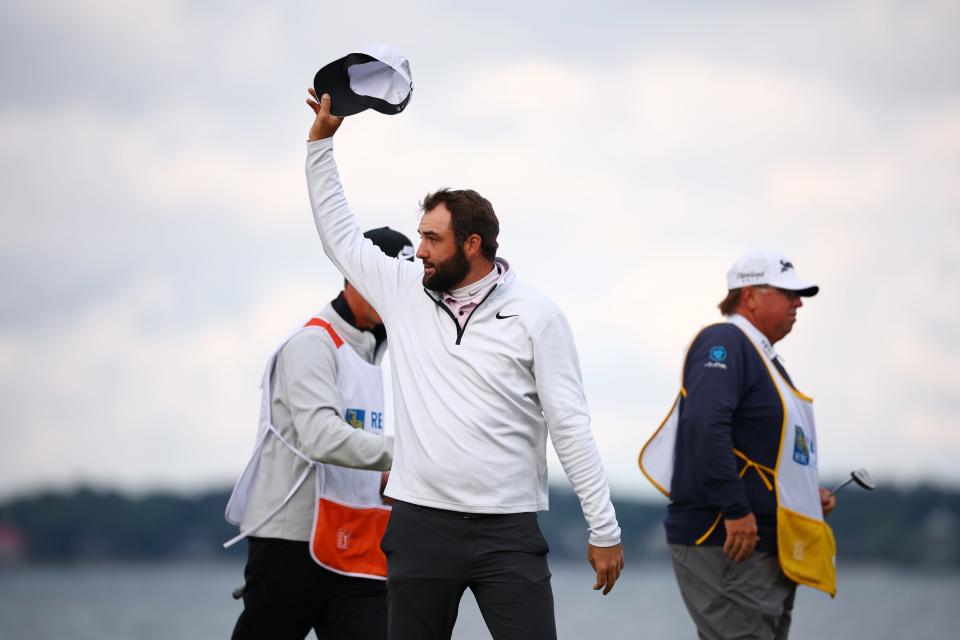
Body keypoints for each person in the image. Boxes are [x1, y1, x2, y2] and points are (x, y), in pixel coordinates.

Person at [303, 90, 624, 640]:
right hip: (419, 525)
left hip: (509, 531)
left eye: (432, 238)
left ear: (472, 244)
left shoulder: (536, 315)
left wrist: (605, 528)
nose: (418, 250)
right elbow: (338, 234)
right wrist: (321, 143)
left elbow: (570, 425)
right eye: (421, 235)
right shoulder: (403, 288)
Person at [224, 227, 415, 640]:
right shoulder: (312, 344)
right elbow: (321, 438)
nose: (395, 296)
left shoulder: (369, 351)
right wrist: (411, 452)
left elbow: (361, 447)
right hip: (290, 544)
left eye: (401, 284)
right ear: (353, 275)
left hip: (354, 543)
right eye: (385, 281)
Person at [640, 251, 838, 640]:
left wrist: (803, 495)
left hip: (758, 543)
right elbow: (705, 425)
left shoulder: (761, 354)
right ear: (750, 296)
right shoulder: (726, 340)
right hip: (728, 538)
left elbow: (759, 449)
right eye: (788, 293)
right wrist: (735, 508)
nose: (798, 303)